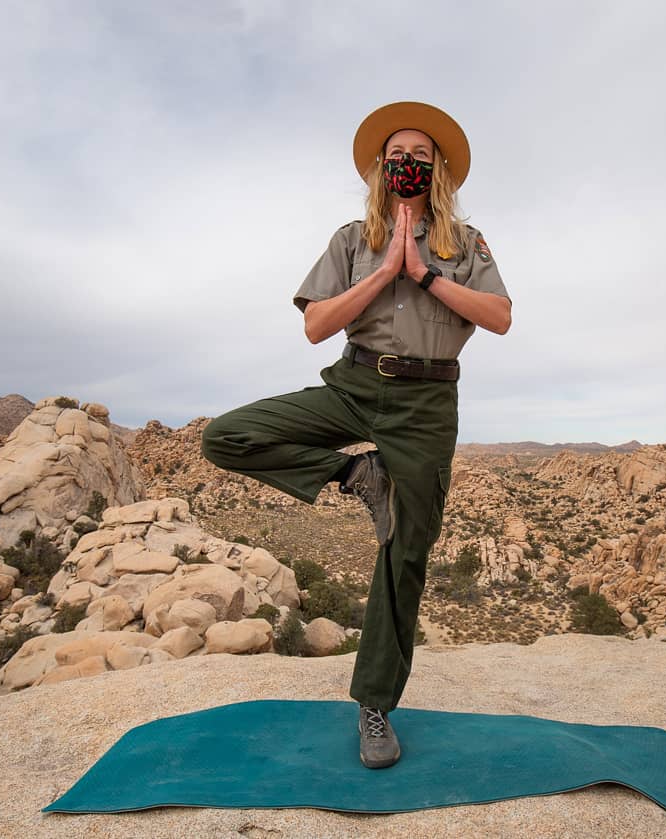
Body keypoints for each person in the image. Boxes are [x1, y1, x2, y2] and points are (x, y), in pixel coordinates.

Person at [200, 100, 512, 769]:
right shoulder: (352, 237)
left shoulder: (467, 241)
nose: (408, 165)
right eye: (398, 156)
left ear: (438, 173)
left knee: (404, 557)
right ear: (380, 167)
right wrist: (384, 272)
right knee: (227, 436)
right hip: (353, 385)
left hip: (427, 404)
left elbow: (500, 315)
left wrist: (423, 272)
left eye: (421, 158)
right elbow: (315, 324)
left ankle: (374, 705)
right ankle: (353, 473)